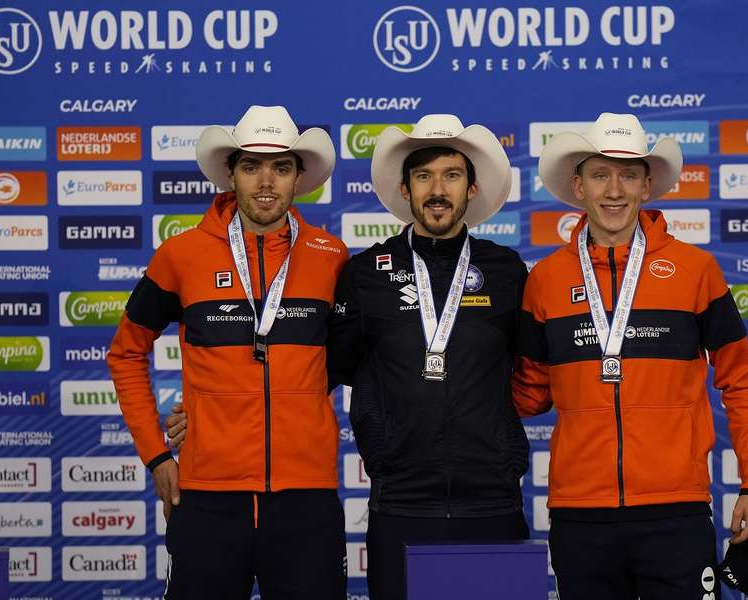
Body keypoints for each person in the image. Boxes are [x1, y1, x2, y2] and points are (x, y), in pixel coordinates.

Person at [513, 112, 748, 600]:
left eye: (628, 175)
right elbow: (527, 393)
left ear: (647, 186)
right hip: (580, 514)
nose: (615, 190)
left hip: (676, 511)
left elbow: (739, 382)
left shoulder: (697, 271)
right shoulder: (544, 280)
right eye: (600, 175)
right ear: (579, 186)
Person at [107, 105, 348, 599]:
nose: (266, 182)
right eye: (251, 166)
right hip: (208, 501)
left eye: (281, 167)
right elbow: (126, 354)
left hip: (307, 501)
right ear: (230, 174)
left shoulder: (332, 257)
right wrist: (156, 455)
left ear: (298, 178)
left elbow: (357, 360)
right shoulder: (180, 255)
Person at [329, 114, 531, 598]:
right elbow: (317, 373)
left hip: (493, 503)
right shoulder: (365, 275)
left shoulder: (506, 273)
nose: (437, 190)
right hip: (400, 503)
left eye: (451, 175)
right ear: (405, 189)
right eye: (424, 176)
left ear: (472, 188)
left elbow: (538, 374)